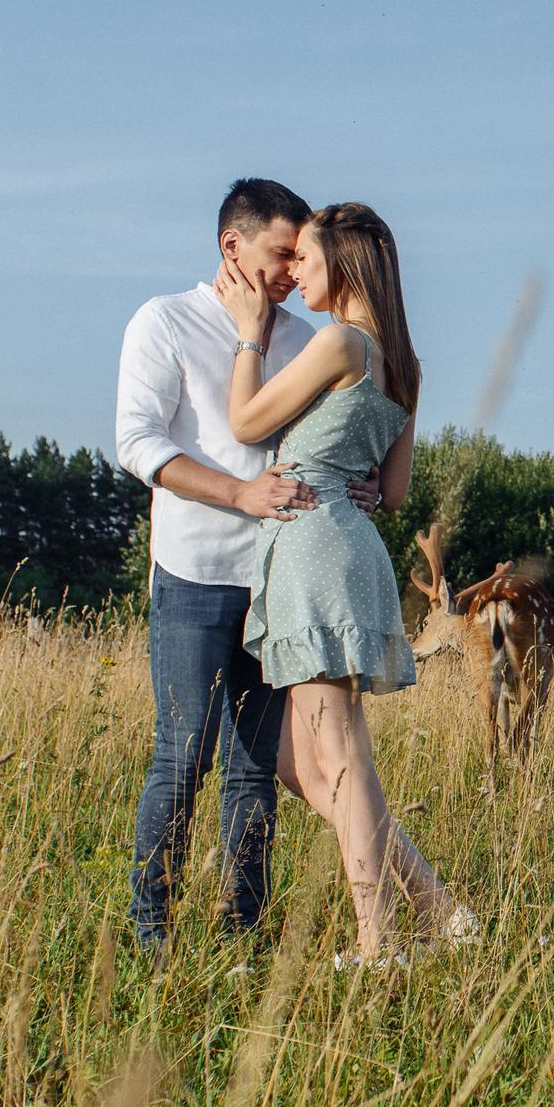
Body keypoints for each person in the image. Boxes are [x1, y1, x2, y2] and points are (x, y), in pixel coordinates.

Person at [116, 179, 377, 955]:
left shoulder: (304, 339)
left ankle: (242, 937)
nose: (294, 270)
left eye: (300, 257)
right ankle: (152, 934)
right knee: (183, 752)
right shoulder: (163, 320)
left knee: (254, 769)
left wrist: (358, 482)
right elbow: (136, 442)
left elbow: (327, 440)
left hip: (277, 581)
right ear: (232, 245)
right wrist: (239, 491)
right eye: (280, 253)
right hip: (193, 575)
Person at [218, 202, 476, 965]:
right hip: (351, 542)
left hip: (313, 545)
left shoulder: (340, 342)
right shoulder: (405, 364)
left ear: (346, 262)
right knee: (302, 762)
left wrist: (247, 333)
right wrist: (349, 476)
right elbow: (391, 494)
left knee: (340, 753)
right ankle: (438, 908)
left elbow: (245, 422)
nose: (295, 271)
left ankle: (379, 942)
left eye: (306, 257)